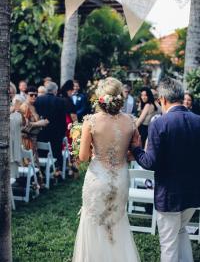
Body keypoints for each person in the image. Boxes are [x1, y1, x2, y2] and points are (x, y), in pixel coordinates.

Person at [132, 77, 200, 262]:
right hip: (193, 193)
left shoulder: (160, 123)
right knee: (181, 231)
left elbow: (150, 162)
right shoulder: (198, 121)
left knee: (169, 244)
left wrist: (136, 148)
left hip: (169, 195)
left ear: (162, 99)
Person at [72, 77, 140, 262]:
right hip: (120, 177)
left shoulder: (91, 121)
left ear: (100, 98)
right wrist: (120, 156)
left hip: (97, 177)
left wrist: (94, 151)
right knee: (117, 221)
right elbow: (136, 152)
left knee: (94, 222)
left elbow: (83, 157)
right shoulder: (131, 121)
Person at [35, 82, 67, 174]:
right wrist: (63, 132)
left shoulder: (38, 100)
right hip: (56, 134)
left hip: (42, 133)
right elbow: (62, 119)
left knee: (42, 153)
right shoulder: (60, 101)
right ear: (55, 91)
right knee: (57, 154)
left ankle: (43, 172)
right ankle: (58, 171)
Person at [20, 86, 49, 185]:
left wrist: (42, 122)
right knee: (29, 162)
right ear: (26, 95)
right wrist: (39, 123)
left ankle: (36, 185)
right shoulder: (24, 107)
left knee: (34, 161)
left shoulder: (33, 106)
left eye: (36, 95)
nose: (34, 97)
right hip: (26, 140)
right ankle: (31, 185)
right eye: (31, 95)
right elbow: (23, 126)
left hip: (33, 139)